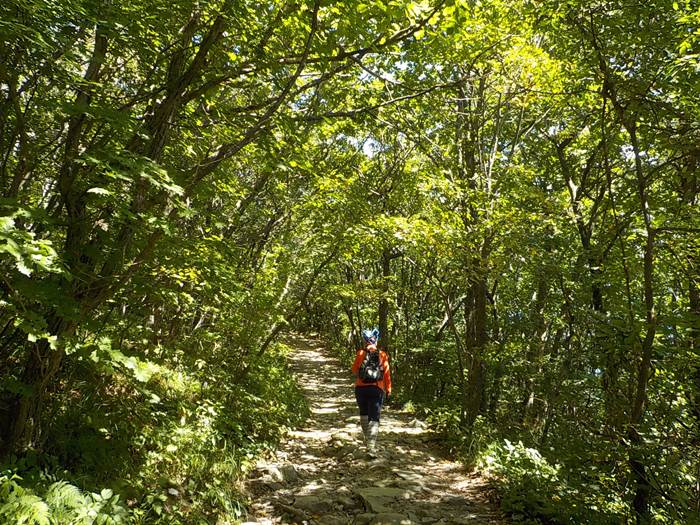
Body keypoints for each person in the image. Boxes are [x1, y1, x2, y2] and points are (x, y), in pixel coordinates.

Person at [352, 328, 392, 457]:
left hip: (361, 388)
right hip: (377, 388)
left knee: (364, 413)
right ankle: (371, 447)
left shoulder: (360, 353)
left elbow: (354, 370)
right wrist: (389, 389)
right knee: (374, 417)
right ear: (376, 341)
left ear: (365, 340)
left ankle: (366, 438)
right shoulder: (383, 355)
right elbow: (386, 374)